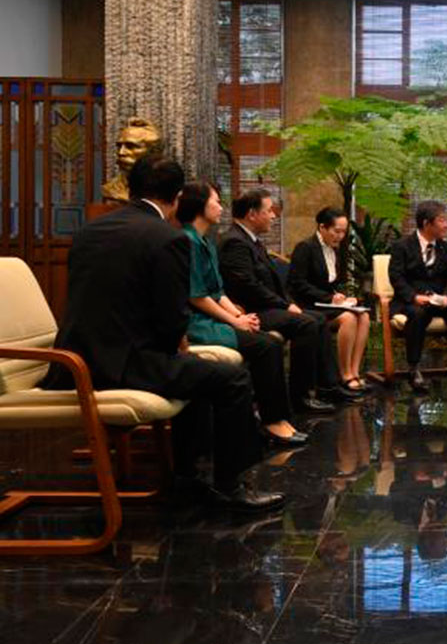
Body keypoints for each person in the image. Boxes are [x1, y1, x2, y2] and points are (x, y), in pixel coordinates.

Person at [40, 156, 282, 511]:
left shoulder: (88, 232)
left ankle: (189, 477)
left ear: (132, 188)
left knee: (200, 376)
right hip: (122, 364)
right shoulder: (167, 238)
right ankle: (232, 486)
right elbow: (171, 321)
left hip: (73, 362)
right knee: (232, 379)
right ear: (178, 197)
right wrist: (179, 350)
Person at [177, 181, 307, 448]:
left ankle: (276, 417)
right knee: (267, 345)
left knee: (266, 338)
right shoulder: (186, 241)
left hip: (216, 316)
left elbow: (218, 290)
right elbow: (197, 296)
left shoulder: (206, 241)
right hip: (196, 323)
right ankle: (272, 421)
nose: (221, 207)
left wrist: (237, 315)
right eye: (215, 201)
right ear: (200, 206)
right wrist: (235, 320)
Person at [219, 188, 346, 414]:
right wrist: (285, 305)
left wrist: (288, 303)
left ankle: (328, 386)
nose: (274, 216)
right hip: (251, 311)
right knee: (307, 323)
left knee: (316, 319)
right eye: (269, 211)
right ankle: (300, 395)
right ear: (252, 214)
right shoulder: (234, 242)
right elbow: (248, 287)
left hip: (268, 306)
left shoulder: (252, 241)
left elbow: (276, 284)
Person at [388, 200, 447, 392]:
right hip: (413, 301)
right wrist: (413, 297)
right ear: (427, 223)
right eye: (442, 220)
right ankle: (414, 368)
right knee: (417, 315)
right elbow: (396, 277)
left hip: (440, 300)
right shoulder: (402, 246)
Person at [288, 206, 372, 393]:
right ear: (322, 227)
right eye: (336, 231)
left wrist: (343, 297)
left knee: (364, 317)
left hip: (328, 302)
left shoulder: (337, 249)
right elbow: (297, 283)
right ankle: (344, 375)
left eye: (344, 232)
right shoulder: (306, 247)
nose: (340, 236)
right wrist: (329, 297)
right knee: (348, 318)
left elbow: (331, 282)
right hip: (308, 304)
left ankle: (355, 371)